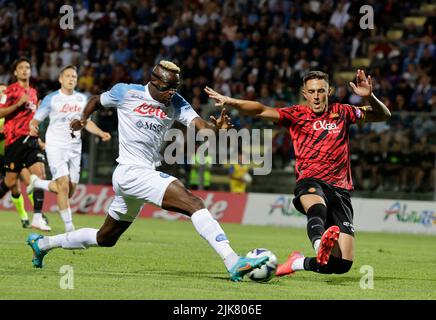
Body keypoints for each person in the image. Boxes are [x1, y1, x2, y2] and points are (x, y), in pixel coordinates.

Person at [26, 60, 268, 282]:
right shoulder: (126, 92)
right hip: (131, 171)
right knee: (194, 203)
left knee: (105, 238)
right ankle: (233, 261)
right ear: (154, 82)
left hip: (137, 175)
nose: (172, 93)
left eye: (175, 88)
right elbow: (96, 100)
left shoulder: (176, 102)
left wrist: (217, 131)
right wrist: (82, 119)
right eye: (168, 88)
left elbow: (201, 128)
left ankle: (43, 244)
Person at [205, 69, 391, 276]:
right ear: (304, 93)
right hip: (311, 181)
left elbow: (383, 115)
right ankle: (320, 244)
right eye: (311, 92)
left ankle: (296, 263)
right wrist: (230, 101)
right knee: (317, 207)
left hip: (341, 190)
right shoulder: (296, 115)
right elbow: (260, 110)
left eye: (321, 91)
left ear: (329, 91)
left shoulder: (344, 112)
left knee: (341, 265)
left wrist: (369, 97)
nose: (316, 96)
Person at [27, 65, 112, 232]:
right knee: (63, 185)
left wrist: (101, 133)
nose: (71, 79)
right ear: (60, 79)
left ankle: (37, 182)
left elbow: (86, 122)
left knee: (70, 191)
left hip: (75, 147)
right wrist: (34, 129)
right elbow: (35, 121)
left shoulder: (82, 99)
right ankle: (69, 227)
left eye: (74, 76)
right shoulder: (52, 99)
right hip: (55, 146)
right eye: (68, 76)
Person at [0, 58, 51, 231]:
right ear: (15, 72)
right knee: (10, 182)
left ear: (31, 71)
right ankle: (28, 214)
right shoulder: (9, 91)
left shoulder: (34, 92)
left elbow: (33, 118)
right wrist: (18, 104)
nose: (24, 70)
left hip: (31, 140)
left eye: (27, 67)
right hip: (14, 142)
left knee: (39, 175)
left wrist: (40, 135)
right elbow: (0, 111)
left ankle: (37, 217)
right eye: (20, 67)